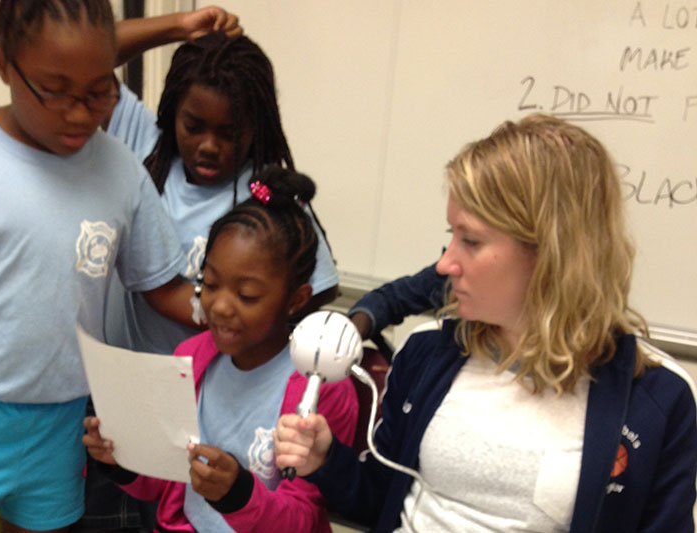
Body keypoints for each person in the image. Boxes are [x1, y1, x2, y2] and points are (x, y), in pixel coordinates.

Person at [0, 2, 239, 531]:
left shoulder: (121, 170)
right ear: (2, 63)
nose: (80, 113)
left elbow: (162, 287)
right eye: (55, 91)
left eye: (98, 92)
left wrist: (237, 313)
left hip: (59, 421)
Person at [275, 114, 697, 532]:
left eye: (471, 241)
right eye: (451, 235)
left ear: (551, 252)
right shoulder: (427, 354)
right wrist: (326, 460)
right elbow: (380, 499)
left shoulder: (655, 399)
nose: (445, 262)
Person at [83, 167, 358, 532]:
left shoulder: (323, 387)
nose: (220, 306)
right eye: (209, 283)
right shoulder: (193, 356)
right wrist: (120, 457)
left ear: (296, 299)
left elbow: (306, 517)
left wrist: (241, 497)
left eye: (246, 295)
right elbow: (167, 482)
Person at [102, 30, 339, 356]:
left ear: (256, 127)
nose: (209, 146)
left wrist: (236, 317)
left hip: (210, 391)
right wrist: (179, 26)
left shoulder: (266, 197)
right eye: (193, 126)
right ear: (173, 112)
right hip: (119, 373)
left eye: (230, 133)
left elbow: (319, 289)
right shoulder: (144, 143)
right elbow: (87, 59)